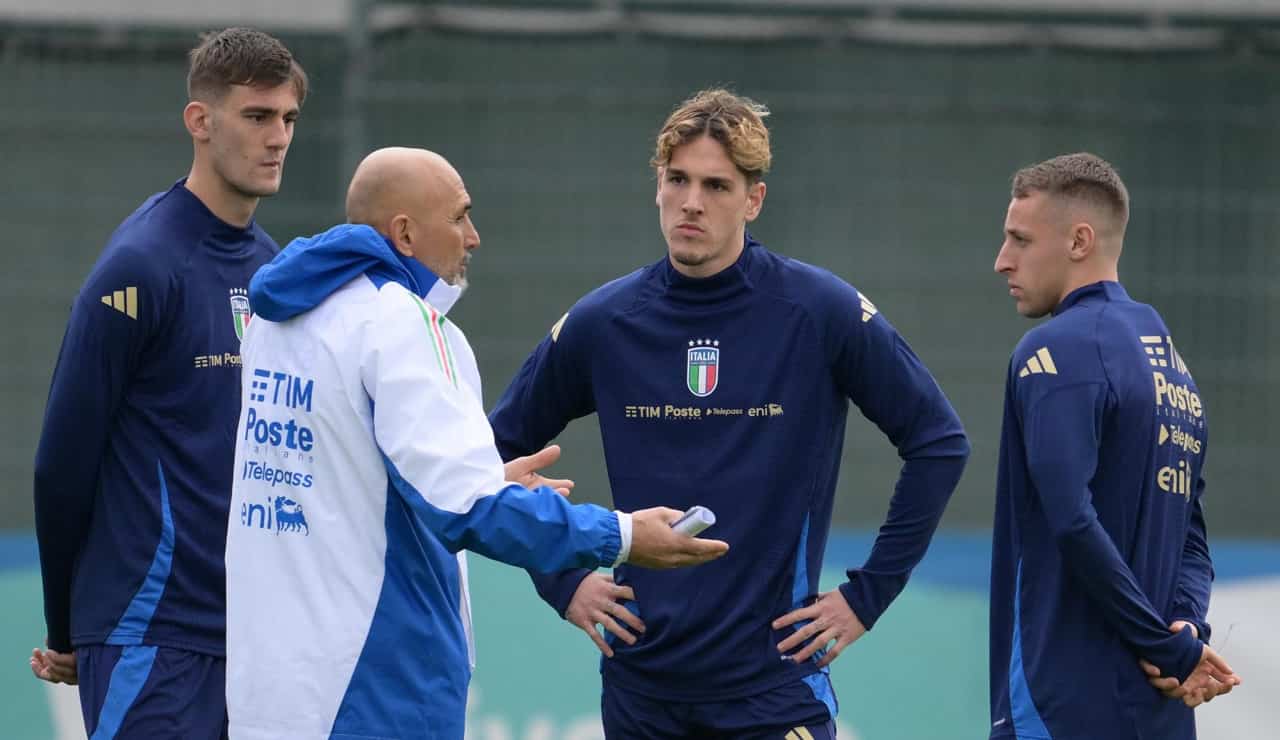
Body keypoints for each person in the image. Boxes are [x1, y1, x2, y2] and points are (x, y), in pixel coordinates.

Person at [487, 89, 970, 738]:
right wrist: (561, 579)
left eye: (716, 185)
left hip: (774, 690)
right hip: (641, 692)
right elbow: (491, 451)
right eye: (677, 179)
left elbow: (939, 442)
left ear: (754, 199)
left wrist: (866, 596)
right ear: (656, 185)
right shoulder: (604, 322)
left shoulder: (817, 312)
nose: (692, 202)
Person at [223, 146, 729, 740]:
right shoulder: (402, 322)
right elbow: (468, 509)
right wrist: (621, 536)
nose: (474, 236)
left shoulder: (277, 321)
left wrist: (487, 479)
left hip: (269, 695)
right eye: (460, 216)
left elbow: (335, 478)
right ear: (405, 234)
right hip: (372, 692)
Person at [30, 27, 307, 739]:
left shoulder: (271, 268)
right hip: (147, 633)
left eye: (287, 119)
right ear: (200, 121)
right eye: (256, 117)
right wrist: (67, 626)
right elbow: (62, 463)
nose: (277, 137)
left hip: (248, 640)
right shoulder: (141, 266)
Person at [988, 152, 1241, 739]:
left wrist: (1167, 645)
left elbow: (1071, 520)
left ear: (1079, 240)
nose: (1002, 261)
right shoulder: (1176, 373)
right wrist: (1184, 631)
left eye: (1020, 240)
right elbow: (1193, 539)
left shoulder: (1054, 351)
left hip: (1060, 706)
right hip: (1160, 711)